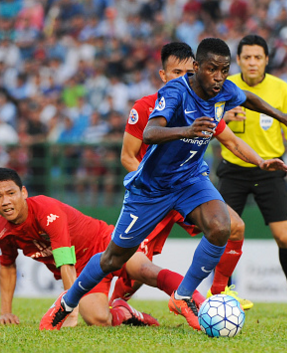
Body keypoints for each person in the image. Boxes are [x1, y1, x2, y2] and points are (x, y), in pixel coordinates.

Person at [40, 37, 287, 331]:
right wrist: (187, 130)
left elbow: (248, 98)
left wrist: (283, 119)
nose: (219, 77)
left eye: (224, 69)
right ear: (196, 67)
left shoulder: (224, 91)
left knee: (222, 226)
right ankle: (65, 304)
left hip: (191, 179)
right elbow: (151, 132)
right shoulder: (175, 92)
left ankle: (183, 295)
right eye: (211, 69)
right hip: (152, 188)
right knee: (112, 259)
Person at [118, 42, 253, 312]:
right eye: (175, 72)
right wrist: (152, 190)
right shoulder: (144, 107)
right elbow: (127, 157)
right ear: (163, 75)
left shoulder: (206, 103)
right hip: (153, 193)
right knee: (137, 263)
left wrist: (261, 162)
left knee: (232, 226)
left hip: (186, 189)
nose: (183, 78)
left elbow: (232, 142)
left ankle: (219, 293)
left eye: (187, 71)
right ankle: (117, 299)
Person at [0, 167, 172, 328]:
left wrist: (69, 312)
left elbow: (64, 260)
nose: (5, 201)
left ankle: (190, 298)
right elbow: (7, 265)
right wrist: (6, 312)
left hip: (105, 245)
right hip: (83, 270)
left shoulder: (46, 210)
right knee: (99, 320)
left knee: (145, 271)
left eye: (11, 193)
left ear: (24, 192)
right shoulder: (1, 230)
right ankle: (124, 312)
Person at [218, 34, 287, 316]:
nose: (252, 62)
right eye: (246, 57)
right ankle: (221, 293)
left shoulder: (280, 88)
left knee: (284, 237)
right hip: (233, 169)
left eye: (257, 57)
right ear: (238, 60)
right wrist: (224, 118)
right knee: (219, 233)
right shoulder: (225, 85)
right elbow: (205, 122)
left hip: (271, 170)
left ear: (267, 60)